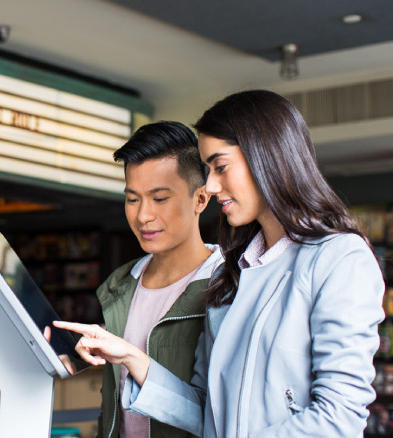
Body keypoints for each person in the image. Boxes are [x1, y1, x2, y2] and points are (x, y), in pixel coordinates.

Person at [56, 90, 385, 437]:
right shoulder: (234, 273)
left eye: (221, 167)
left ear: (267, 156)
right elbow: (204, 410)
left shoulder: (340, 258)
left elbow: (339, 416)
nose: (211, 185)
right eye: (208, 170)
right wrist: (129, 356)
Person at [91, 121, 224, 438]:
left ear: (201, 199)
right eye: (133, 199)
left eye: (160, 198)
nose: (143, 216)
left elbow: (225, 413)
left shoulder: (228, 284)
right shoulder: (119, 285)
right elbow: (112, 406)